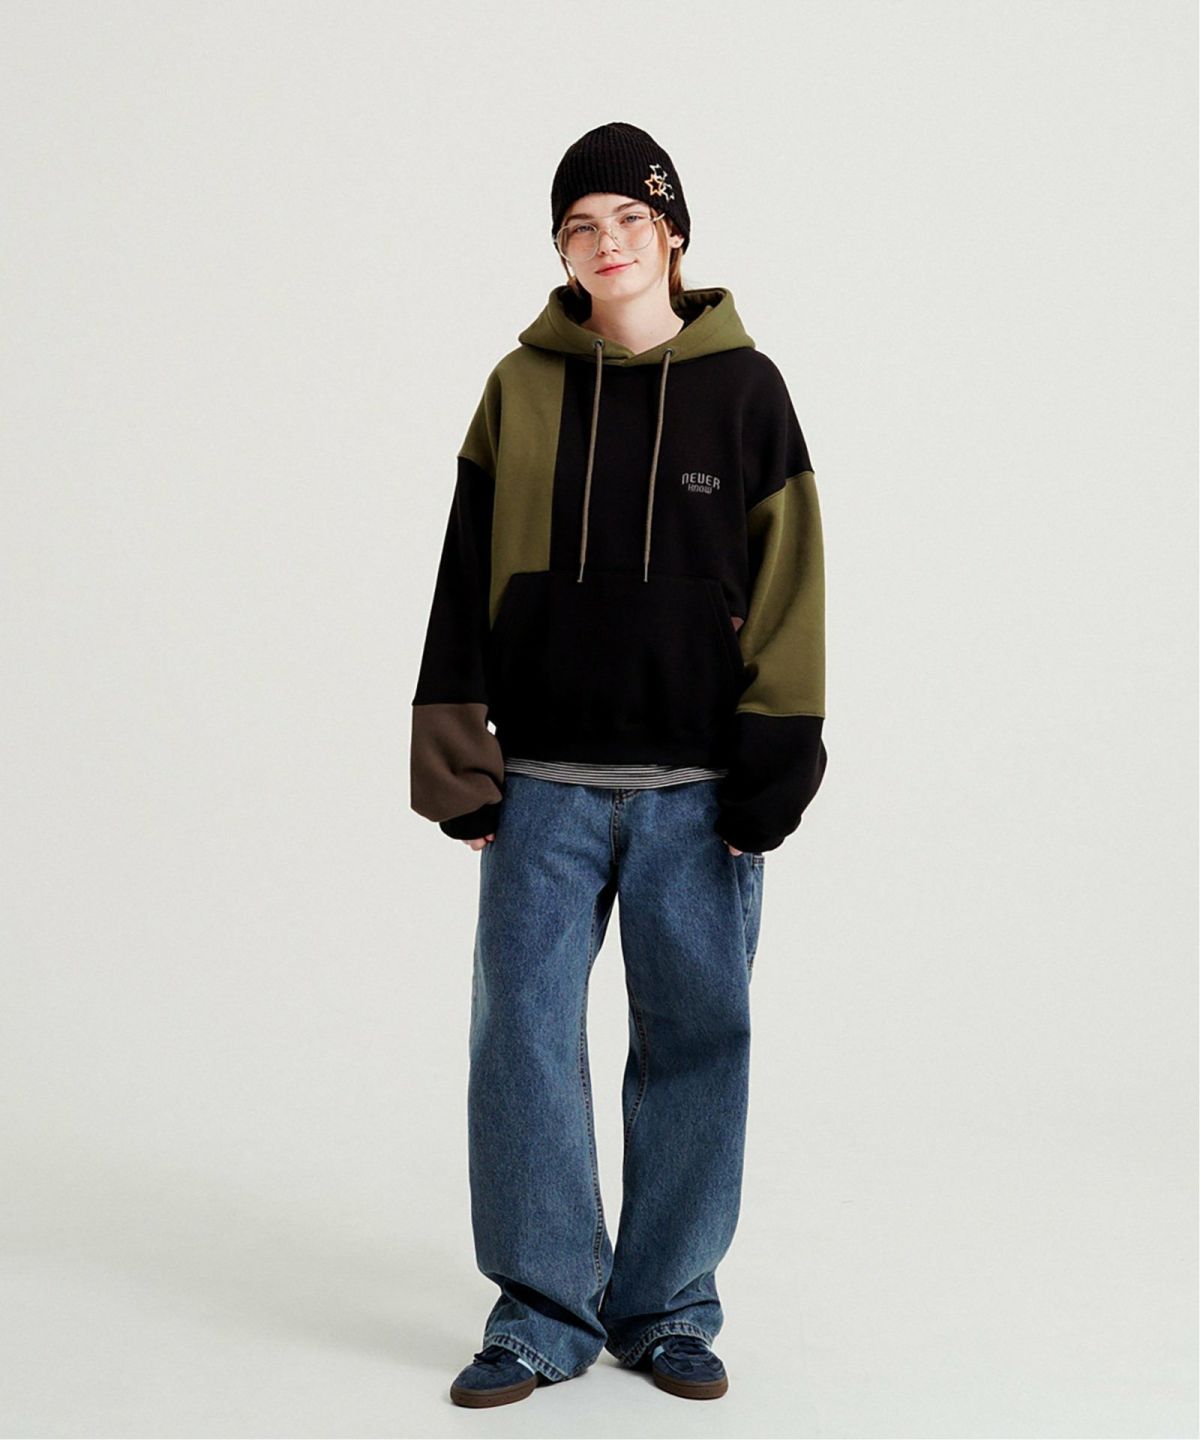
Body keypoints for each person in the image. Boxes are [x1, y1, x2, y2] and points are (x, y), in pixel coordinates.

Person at [410, 121, 828, 1408]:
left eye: (628, 220)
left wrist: (775, 766)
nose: (606, 244)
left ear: (672, 234)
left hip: (698, 796)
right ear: (561, 251)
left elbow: (791, 588)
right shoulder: (517, 388)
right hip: (541, 785)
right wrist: (457, 762)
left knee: (699, 1040)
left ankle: (668, 1306)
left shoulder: (747, 391)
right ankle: (541, 1312)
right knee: (522, 1045)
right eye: (579, 227)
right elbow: (463, 574)